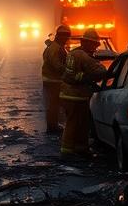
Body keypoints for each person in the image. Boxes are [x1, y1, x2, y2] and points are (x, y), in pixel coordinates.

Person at [59, 28, 109, 158]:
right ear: (86, 42)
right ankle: (67, 151)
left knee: (82, 123)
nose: (95, 47)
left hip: (71, 94)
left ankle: (81, 148)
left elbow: (70, 74)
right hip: (74, 95)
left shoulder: (73, 53)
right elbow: (100, 71)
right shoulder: (83, 56)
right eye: (93, 44)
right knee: (73, 123)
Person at [42, 24, 71, 134]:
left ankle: (53, 126)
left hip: (53, 80)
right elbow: (57, 65)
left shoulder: (58, 47)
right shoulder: (55, 48)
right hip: (53, 81)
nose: (65, 38)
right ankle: (52, 128)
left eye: (66, 35)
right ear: (58, 36)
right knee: (54, 105)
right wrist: (69, 71)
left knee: (55, 105)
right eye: (63, 35)